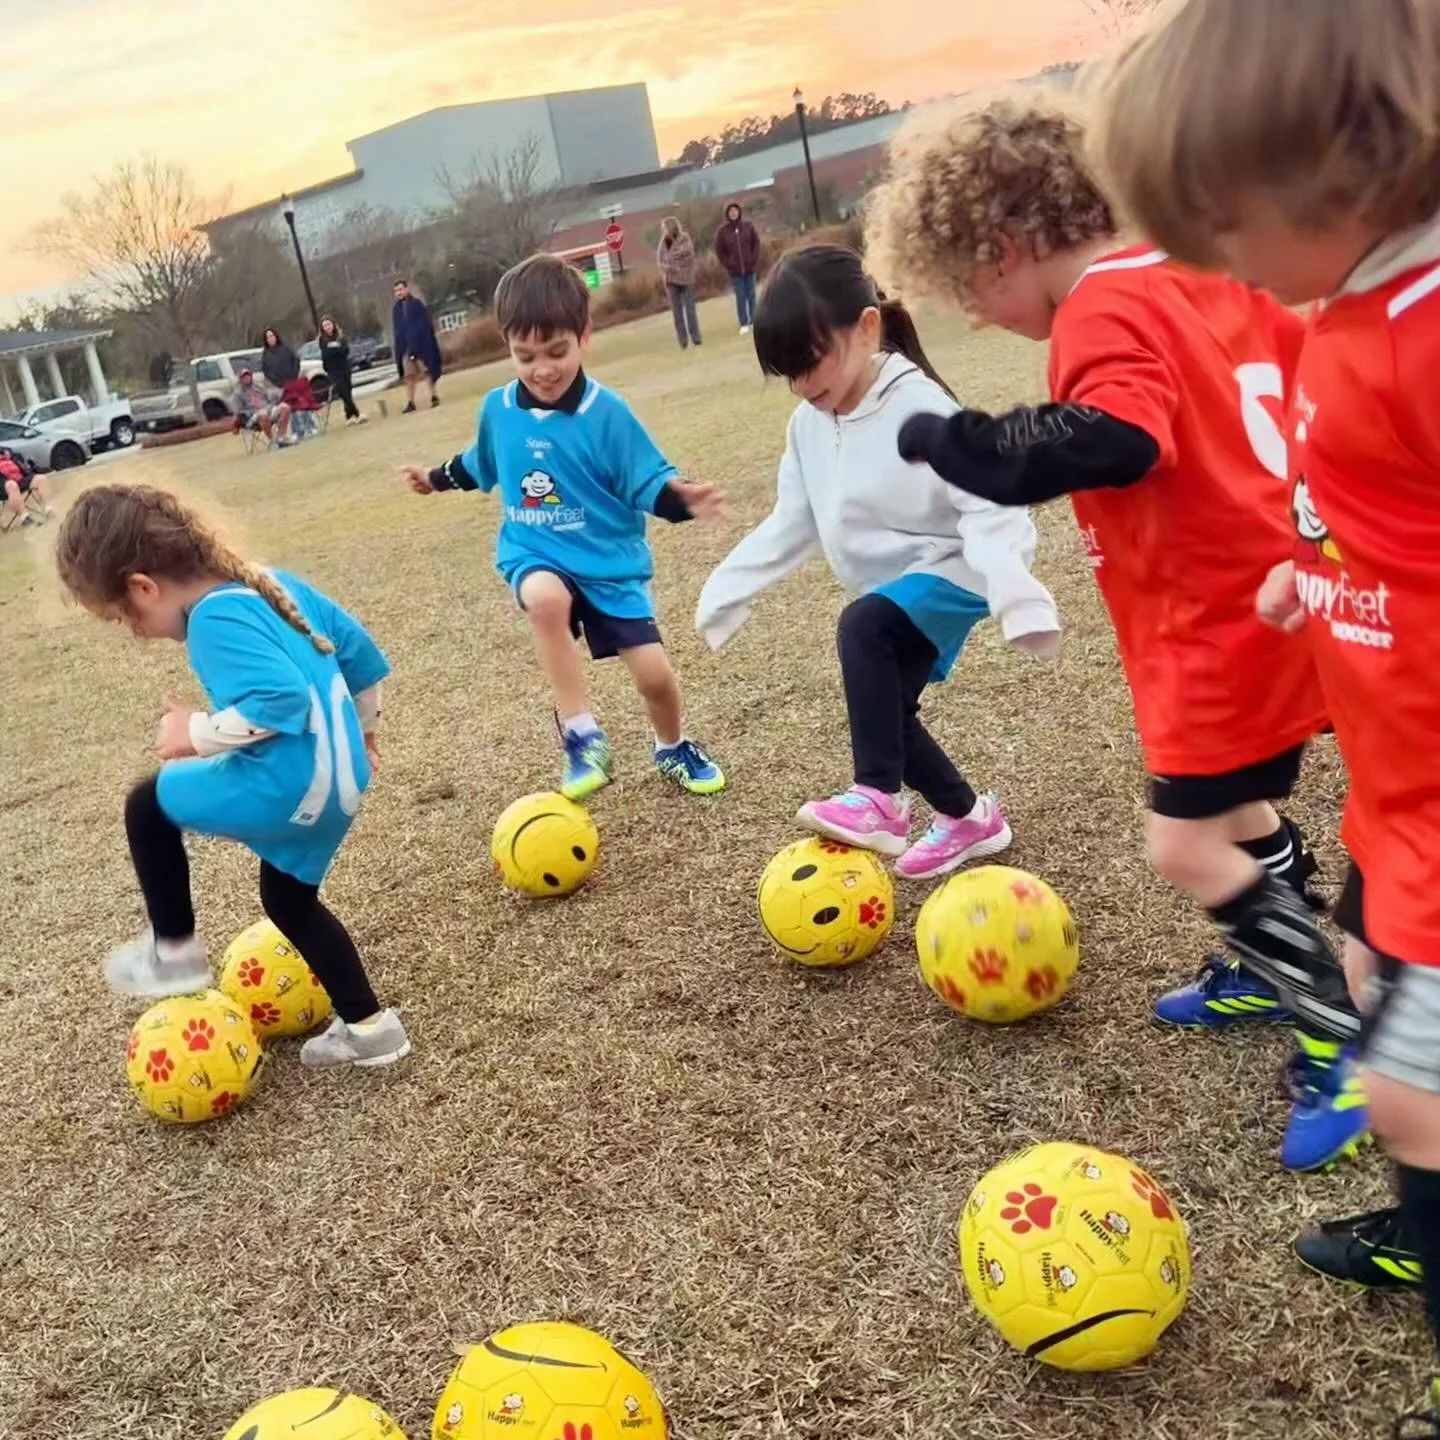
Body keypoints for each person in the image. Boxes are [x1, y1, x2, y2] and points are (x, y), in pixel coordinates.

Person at [865, 93, 1364, 1171]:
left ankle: (1337, 1031)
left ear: (1006, 246)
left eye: (968, 290)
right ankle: (1269, 961)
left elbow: (1116, 437)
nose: (979, 314)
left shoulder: (1098, 308)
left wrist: (964, 440)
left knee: (1184, 843)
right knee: (1241, 802)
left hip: (1214, 623)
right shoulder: (1206, 269)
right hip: (1301, 589)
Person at [1098, 0, 1440, 1428]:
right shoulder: (1346, 316)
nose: (1208, 265)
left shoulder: (1424, 328)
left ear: (1340, 168)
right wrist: (1323, 576)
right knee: (1371, 993)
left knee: (1411, 1088)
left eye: (1219, 226)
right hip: (1394, 790)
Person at [696, 245, 1059, 877]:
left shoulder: (918, 407)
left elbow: (990, 501)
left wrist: (1012, 586)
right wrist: (729, 588)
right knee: (889, 713)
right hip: (901, 587)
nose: (803, 386)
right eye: (788, 373)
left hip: (959, 566)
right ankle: (970, 820)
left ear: (866, 329)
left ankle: (879, 802)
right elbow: (793, 518)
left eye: (811, 361)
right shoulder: (808, 424)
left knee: (862, 626)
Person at [54, 483, 410, 1069]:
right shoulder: (268, 583)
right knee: (288, 899)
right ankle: (371, 1031)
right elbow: (359, 652)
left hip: (291, 784)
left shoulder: (213, 619)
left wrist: (190, 733)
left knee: (149, 805)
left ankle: (175, 952)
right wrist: (364, 733)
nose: (134, 631)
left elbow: (280, 702)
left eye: (124, 616)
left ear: (145, 585)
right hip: (339, 779)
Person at [402, 253, 727, 801]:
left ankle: (672, 746)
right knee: (544, 599)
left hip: (609, 565)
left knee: (654, 677)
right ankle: (581, 736)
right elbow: (480, 463)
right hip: (535, 549)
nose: (542, 369)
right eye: (524, 356)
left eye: (557, 352)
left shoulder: (608, 413)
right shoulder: (498, 408)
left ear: (584, 337)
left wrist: (681, 499)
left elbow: (645, 479)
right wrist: (434, 479)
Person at [391, 279, 441, 412]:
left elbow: (424, 325)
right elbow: (398, 330)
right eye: (396, 291)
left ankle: (434, 396)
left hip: (420, 346)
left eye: (400, 289)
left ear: (406, 289)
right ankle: (411, 402)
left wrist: (417, 344)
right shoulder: (396, 309)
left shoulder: (417, 305)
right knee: (409, 376)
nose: (398, 293)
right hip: (406, 348)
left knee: (427, 371)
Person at [715, 202, 761, 333]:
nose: (733, 213)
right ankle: (744, 323)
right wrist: (729, 264)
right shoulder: (722, 232)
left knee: (752, 295)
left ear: (739, 212)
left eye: (735, 210)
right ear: (727, 214)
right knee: (740, 297)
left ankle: (754, 320)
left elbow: (756, 243)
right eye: (731, 211)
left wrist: (753, 259)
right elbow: (720, 251)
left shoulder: (748, 227)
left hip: (749, 268)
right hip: (735, 272)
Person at [658, 217, 703, 350]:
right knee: (677, 313)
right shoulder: (663, 243)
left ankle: (696, 337)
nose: (664, 231)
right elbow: (660, 261)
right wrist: (671, 266)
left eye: (665, 228)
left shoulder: (684, 238)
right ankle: (682, 340)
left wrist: (672, 260)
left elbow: (688, 254)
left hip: (686, 278)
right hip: (671, 281)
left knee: (690, 310)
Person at [318, 315, 366, 425]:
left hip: (344, 367)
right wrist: (336, 348)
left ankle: (349, 416)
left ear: (333, 324)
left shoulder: (340, 336)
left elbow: (345, 350)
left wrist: (335, 348)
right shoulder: (322, 340)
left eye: (329, 324)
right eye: (325, 325)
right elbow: (326, 354)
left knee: (348, 390)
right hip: (332, 370)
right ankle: (357, 414)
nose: (327, 327)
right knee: (342, 391)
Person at [231, 367, 293, 446]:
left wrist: (275, 399)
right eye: (244, 377)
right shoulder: (238, 394)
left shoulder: (258, 387)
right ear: (240, 379)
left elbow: (269, 399)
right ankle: (273, 441)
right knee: (262, 414)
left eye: (248, 375)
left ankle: (281, 437)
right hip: (252, 417)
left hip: (268, 410)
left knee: (285, 407)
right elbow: (238, 412)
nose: (247, 378)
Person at [1, 447, 52, 526]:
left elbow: (15, 454)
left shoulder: (3, 450)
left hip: (20, 479)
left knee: (40, 479)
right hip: (3, 485)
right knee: (11, 485)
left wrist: (9, 455)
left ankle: (49, 509)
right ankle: (24, 517)